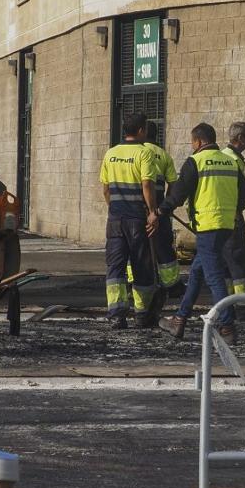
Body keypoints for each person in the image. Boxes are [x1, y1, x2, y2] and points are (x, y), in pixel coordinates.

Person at [152, 122, 245, 344]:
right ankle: (179, 319)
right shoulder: (230, 161)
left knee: (214, 278)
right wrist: (234, 212)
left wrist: (159, 211)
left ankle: (227, 327)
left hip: (207, 227)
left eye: (192, 142)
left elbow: (177, 194)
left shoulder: (195, 161)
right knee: (196, 273)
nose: (192, 146)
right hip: (226, 226)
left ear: (198, 141)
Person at [100, 112, 160, 329]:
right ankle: (142, 314)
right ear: (142, 130)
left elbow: (106, 189)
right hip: (137, 218)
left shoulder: (110, 154)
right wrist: (152, 212)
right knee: (141, 265)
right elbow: (147, 185)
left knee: (115, 267)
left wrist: (115, 208)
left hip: (115, 218)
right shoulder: (144, 154)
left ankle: (116, 315)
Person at [141, 121, 181, 297]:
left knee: (138, 247)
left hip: (138, 207)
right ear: (156, 135)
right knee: (164, 246)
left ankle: (135, 282)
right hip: (159, 207)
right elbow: (172, 184)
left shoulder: (138, 152)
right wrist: (165, 206)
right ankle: (171, 285)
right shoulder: (164, 155)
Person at [221, 121, 245, 298]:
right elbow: (239, 192)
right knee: (240, 263)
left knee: (226, 265)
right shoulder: (232, 160)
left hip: (222, 219)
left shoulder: (226, 155)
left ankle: (228, 303)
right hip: (232, 219)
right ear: (240, 138)